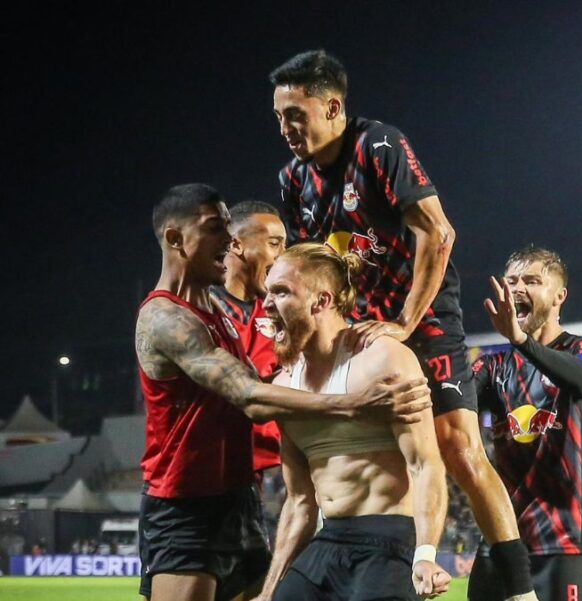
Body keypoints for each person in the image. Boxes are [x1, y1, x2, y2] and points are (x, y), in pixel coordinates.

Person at [271, 50, 535, 599]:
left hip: (420, 312)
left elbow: (437, 234)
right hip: (358, 324)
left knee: (457, 446)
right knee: (360, 445)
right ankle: (349, 556)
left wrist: (405, 319)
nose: (286, 129)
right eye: (279, 117)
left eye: (296, 114)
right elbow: (308, 266)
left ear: (334, 106)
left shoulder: (378, 146)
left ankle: (518, 590)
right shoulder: (294, 180)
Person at [135, 184, 431, 601]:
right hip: (185, 505)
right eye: (216, 229)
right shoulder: (165, 318)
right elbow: (252, 398)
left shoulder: (219, 311)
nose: (229, 241)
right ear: (174, 238)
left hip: (241, 496)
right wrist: (351, 403)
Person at [254, 243, 450, 600]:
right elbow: (300, 499)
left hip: (388, 540)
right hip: (328, 539)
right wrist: (268, 593)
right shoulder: (283, 387)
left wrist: (424, 556)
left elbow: (425, 465)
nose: (266, 305)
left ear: (322, 300)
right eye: (267, 292)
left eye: (281, 291)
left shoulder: (384, 360)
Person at [469, 247, 582, 601]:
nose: (518, 288)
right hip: (502, 537)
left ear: (559, 296)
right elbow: (450, 404)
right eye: (511, 281)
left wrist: (520, 341)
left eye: (532, 281)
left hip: (563, 536)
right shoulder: (493, 369)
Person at [209, 200, 288, 479]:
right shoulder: (201, 310)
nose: (283, 256)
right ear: (236, 245)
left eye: (285, 246)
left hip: (273, 468)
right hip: (214, 470)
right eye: (274, 243)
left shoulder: (280, 310)